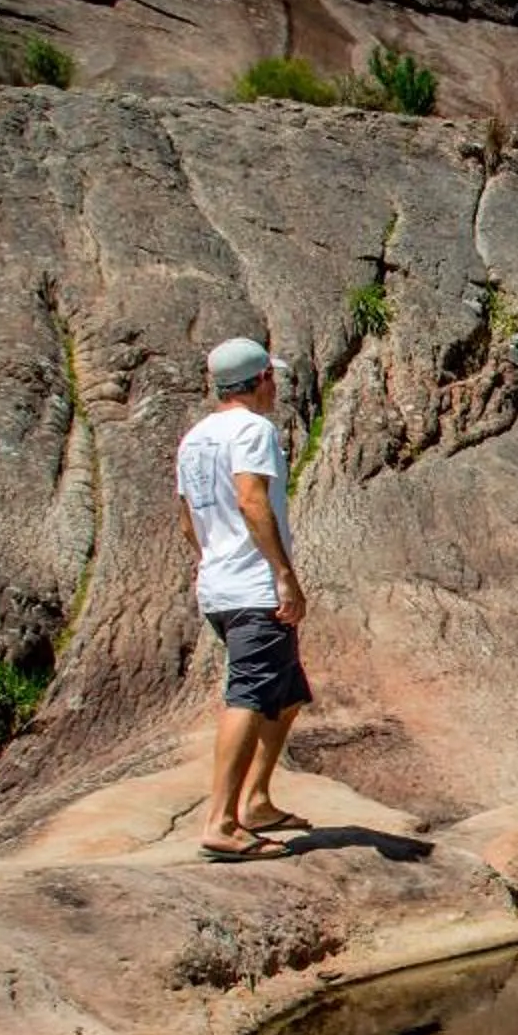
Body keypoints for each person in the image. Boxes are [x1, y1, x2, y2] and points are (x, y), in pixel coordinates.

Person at [178, 337, 311, 860]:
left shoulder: (196, 438)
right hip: (255, 588)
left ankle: (256, 800)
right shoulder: (254, 430)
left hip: (219, 586)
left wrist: (214, 559)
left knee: (289, 695)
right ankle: (221, 823)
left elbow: (187, 517)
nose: (274, 386)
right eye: (271, 378)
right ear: (259, 381)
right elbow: (252, 499)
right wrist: (282, 574)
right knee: (250, 696)